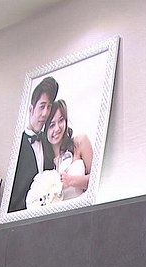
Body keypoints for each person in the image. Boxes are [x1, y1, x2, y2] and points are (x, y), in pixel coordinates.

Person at [9, 76, 58, 212]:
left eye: (49, 107)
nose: (45, 113)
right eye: (42, 106)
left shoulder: (49, 142)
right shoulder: (16, 144)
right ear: (31, 109)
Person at [44, 99, 93, 200]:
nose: (57, 128)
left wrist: (72, 181)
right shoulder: (44, 161)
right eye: (52, 125)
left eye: (61, 120)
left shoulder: (80, 142)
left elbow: (98, 180)